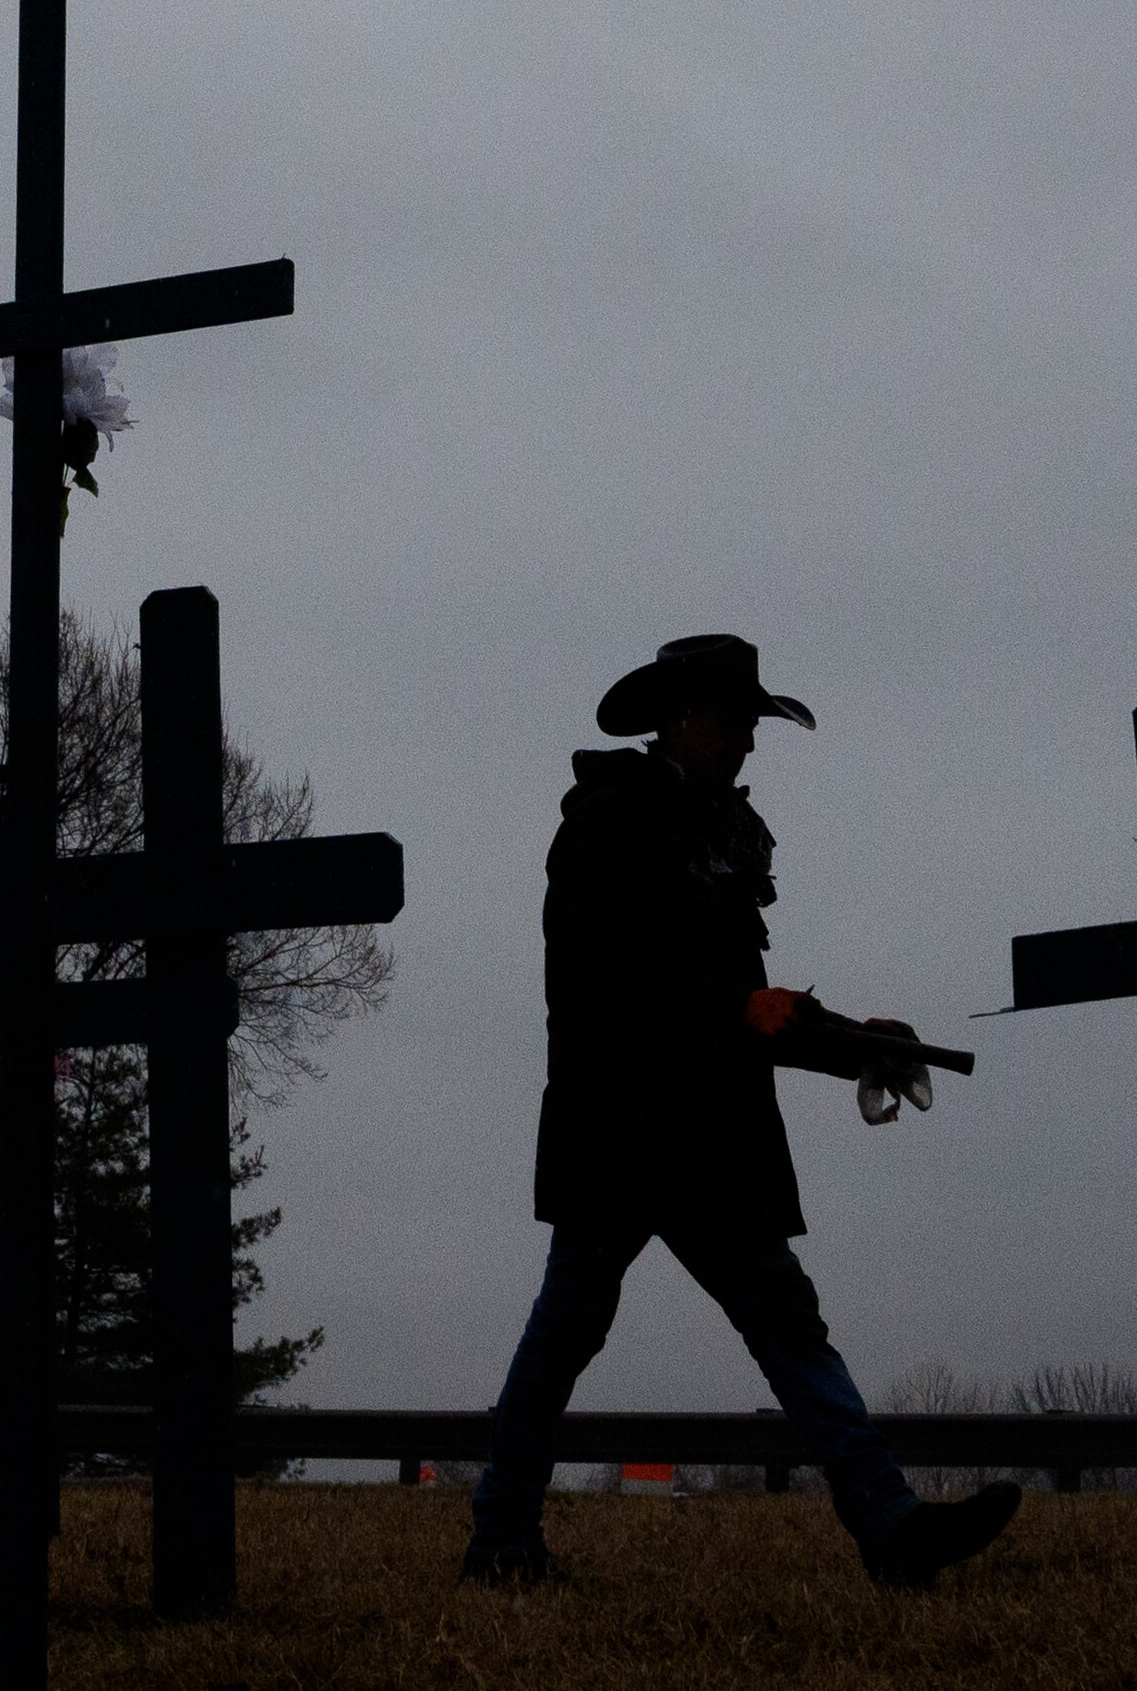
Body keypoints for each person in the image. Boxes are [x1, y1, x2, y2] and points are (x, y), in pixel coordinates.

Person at [461, 633, 1018, 1589]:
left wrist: (859, 1040)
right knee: (567, 1331)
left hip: (712, 1142)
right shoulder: (604, 822)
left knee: (786, 1326)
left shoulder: (718, 832)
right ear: (684, 720)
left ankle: (889, 1526)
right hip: (620, 1133)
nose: (752, 744)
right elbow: (598, 976)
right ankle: (502, 1541)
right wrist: (733, 1010)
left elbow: (751, 1009)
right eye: (738, 722)